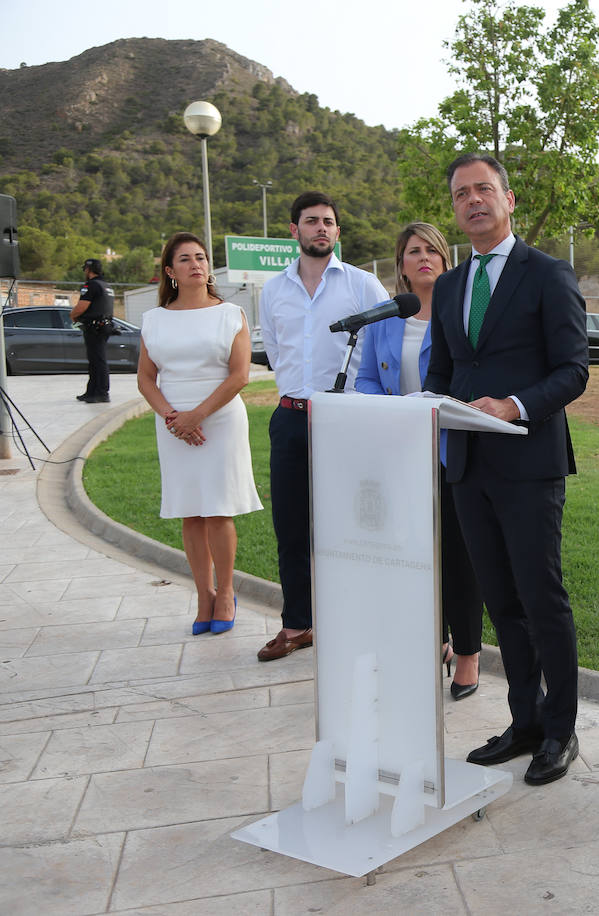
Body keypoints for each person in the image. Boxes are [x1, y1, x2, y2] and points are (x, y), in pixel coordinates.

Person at [424, 153, 588, 785]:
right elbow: (444, 371)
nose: (473, 201)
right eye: (461, 193)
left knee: (541, 598)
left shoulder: (547, 274)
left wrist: (513, 405)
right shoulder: (449, 286)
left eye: (483, 189)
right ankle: (525, 721)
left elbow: (573, 370)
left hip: (528, 462)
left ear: (508, 199)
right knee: (500, 600)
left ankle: (561, 729)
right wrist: (432, 407)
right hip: (467, 467)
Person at [257, 191, 390, 662]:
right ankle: (298, 625)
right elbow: (277, 353)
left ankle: (358, 623)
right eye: (311, 221)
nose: (321, 228)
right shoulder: (273, 290)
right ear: (294, 230)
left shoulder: (362, 284)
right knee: (291, 529)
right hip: (291, 417)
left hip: (347, 421)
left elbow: (383, 345)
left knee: (355, 528)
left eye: (328, 222)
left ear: (337, 230)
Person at [354, 222, 485, 700]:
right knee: (411, 555)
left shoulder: (461, 313)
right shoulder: (386, 318)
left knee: (457, 558)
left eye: (432, 249)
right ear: (402, 266)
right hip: (400, 453)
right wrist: (393, 413)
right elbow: (366, 380)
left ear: (446, 261)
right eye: (413, 251)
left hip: (452, 452)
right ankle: (433, 641)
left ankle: (468, 655)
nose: (424, 257)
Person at [137, 233, 262, 635]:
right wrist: (174, 417)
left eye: (202, 257)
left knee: (218, 509)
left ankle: (225, 592)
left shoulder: (230, 313)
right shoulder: (154, 319)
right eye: (186, 259)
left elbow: (240, 375)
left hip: (220, 420)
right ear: (170, 271)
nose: (196, 264)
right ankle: (203, 595)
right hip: (173, 424)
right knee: (189, 510)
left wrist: (198, 416)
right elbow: (146, 378)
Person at [71, 257, 115, 403]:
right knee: (95, 360)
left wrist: (73, 315)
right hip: (104, 326)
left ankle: (101, 392)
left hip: (94, 327)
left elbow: (82, 306)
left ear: (88, 269)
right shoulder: (106, 285)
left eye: (85, 269)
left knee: (98, 360)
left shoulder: (91, 285)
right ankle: (91, 391)